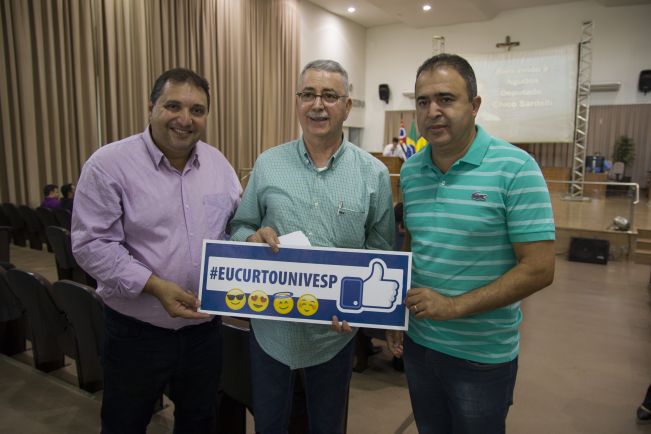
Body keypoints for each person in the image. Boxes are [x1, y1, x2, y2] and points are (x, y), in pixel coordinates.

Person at [387, 53, 555, 434]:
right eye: (423, 101)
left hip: (482, 357)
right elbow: (413, 245)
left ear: (474, 105)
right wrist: (396, 316)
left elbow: (540, 268)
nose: (433, 111)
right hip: (420, 346)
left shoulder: (517, 169)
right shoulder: (411, 171)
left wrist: (453, 306)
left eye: (446, 99)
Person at [71, 68, 241, 434]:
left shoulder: (219, 165)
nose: (185, 119)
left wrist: (252, 238)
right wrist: (154, 285)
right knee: (124, 424)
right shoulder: (108, 165)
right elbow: (91, 244)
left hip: (204, 332)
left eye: (197, 110)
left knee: (199, 422)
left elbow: (233, 227)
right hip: (136, 334)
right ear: (151, 107)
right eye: (173, 106)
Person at [229, 59, 394, 434]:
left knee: (327, 426)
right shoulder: (268, 164)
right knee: (269, 425)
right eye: (308, 94)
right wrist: (251, 238)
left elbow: (381, 255)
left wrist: (364, 309)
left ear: (347, 107)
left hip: (334, 335)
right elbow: (240, 226)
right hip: (272, 328)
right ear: (297, 102)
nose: (318, 105)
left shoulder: (374, 174)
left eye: (330, 96)